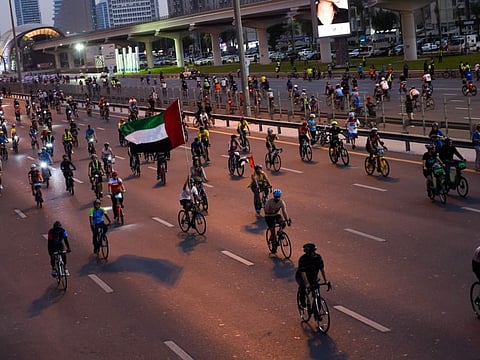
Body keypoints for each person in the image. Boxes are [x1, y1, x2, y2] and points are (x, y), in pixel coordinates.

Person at [295, 243, 330, 309]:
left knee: (316, 293)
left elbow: (322, 269)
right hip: (302, 277)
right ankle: (302, 302)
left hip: (313, 277)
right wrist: (307, 284)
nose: (314, 253)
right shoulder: (303, 259)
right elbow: (303, 273)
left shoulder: (318, 257)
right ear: (308, 253)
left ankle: (317, 310)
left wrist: (326, 280)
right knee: (302, 287)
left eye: (314, 251)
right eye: (312, 252)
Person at [264, 189, 291, 253]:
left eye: (278, 197)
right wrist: (271, 211)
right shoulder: (269, 202)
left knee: (283, 223)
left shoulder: (281, 202)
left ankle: (280, 231)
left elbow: (284, 212)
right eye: (276, 197)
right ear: (274, 196)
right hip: (269, 216)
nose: (277, 198)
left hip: (276, 215)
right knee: (273, 232)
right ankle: (273, 247)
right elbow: (266, 210)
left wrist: (287, 219)